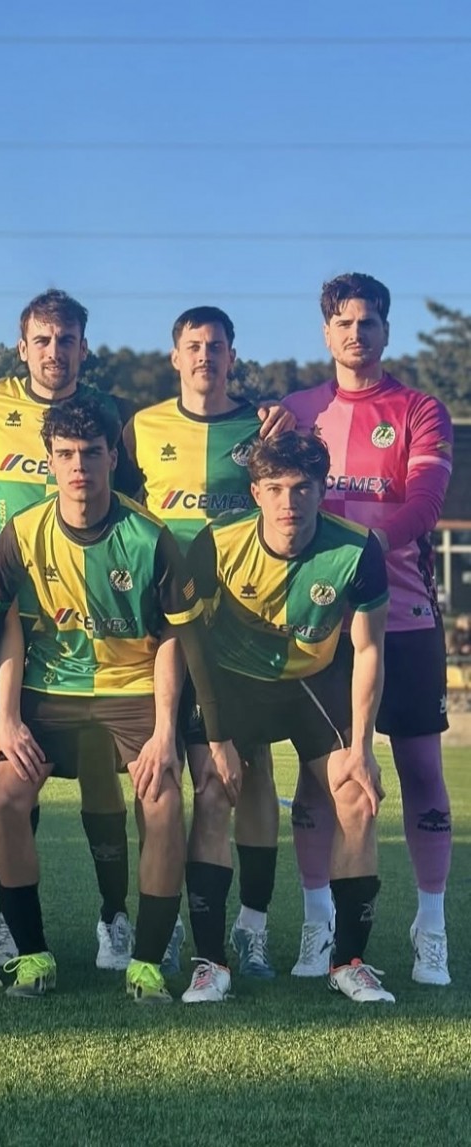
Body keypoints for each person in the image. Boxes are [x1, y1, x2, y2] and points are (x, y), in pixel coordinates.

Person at [0, 392, 238, 1001]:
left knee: (162, 797)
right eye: (65, 454)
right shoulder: (22, 533)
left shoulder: (150, 536)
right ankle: (33, 956)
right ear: (50, 461)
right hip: (48, 688)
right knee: (7, 797)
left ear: (112, 458)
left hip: (132, 687)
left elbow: (181, 639)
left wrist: (175, 733)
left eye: (91, 453)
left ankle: (148, 962)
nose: (78, 465)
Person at [0, 289, 156, 974]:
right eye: (42, 340)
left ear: (84, 346)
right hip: (11, 615)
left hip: (93, 624)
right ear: (22, 347)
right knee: (9, 769)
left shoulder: (112, 415)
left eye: (67, 339)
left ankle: (115, 916)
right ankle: (7, 922)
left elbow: (136, 499)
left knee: (102, 778)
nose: (55, 352)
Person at [284, 274, 454, 986]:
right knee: (320, 775)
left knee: (421, 771)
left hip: (405, 617)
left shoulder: (419, 410)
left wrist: (360, 548)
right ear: (327, 331)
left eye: (370, 322)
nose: (357, 333)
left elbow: (423, 505)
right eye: (345, 322)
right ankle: (318, 921)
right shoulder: (296, 412)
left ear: (386, 330)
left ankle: (431, 926)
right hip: (321, 624)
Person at [186, 431, 393, 1003]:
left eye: (302, 488)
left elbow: (369, 650)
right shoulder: (217, 542)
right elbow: (190, 641)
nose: (289, 502)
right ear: (255, 492)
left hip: (311, 683)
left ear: (323, 490)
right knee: (212, 792)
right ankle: (212, 963)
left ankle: (348, 962)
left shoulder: (357, 549)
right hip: (233, 685)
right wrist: (215, 736)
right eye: (275, 488)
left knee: (357, 795)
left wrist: (362, 748)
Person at [123, 305, 294, 990]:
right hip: (163, 628)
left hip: (238, 626)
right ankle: (163, 925)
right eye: (193, 345)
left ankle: (250, 927)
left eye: (216, 345)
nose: (204, 355)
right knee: (158, 773)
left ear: (232, 356)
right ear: (174, 357)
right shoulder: (141, 428)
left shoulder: (262, 427)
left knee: (244, 774)